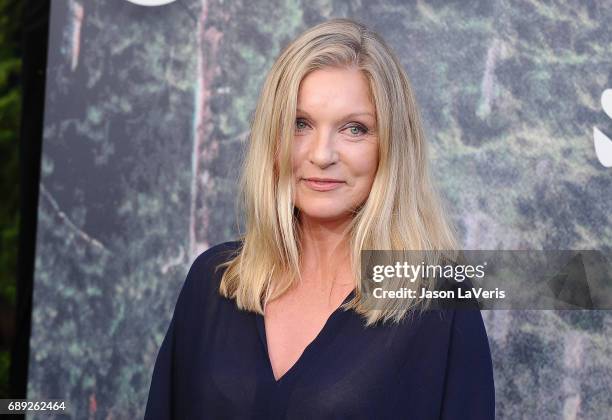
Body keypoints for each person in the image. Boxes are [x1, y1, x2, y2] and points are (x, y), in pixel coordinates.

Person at [144, 18, 495, 419]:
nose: (322, 154)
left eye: (354, 129)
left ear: (392, 147)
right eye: (300, 124)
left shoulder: (439, 300)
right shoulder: (214, 280)